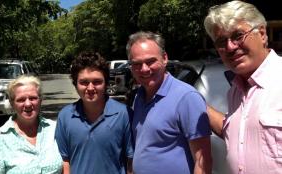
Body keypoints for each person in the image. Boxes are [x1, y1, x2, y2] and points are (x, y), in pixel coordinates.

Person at [204, 1, 282, 173]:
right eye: (221, 41)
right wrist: (196, 103)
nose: (230, 47)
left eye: (238, 35)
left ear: (262, 34)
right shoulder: (235, 91)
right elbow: (235, 133)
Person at [126, 31, 212, 174]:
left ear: (164, 58)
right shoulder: (139, 97)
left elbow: (203, 160)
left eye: (150, 61)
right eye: (137, 64)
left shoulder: (186, 97)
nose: (144, 69)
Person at [55, 52, 133, 174]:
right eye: (84, 82)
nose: (90, 88)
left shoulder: (124, 114)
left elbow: (130, 161)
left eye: (97, 82)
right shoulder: (65, 116)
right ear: (75, 84)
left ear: (106, 83)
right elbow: (65, 161)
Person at [0, 75, 63, 173]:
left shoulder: (55, 129)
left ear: (40, 100)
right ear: (12, 104)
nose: (28, 104)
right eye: (21, 100)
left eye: (33, 98)